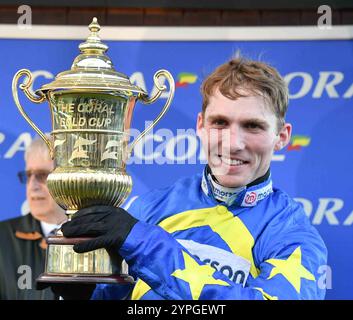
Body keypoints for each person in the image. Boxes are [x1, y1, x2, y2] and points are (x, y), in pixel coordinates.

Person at [61, 57, 328, 300]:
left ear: (282, 136)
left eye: (253, 125)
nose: (233, 143)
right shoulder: (148, 209)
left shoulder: (293, 235)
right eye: (220, 122)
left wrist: (145, 245)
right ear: (200, 125)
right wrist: (82, 294)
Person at [0, 136, 66, 299]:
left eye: (42, 175)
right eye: (29, 175)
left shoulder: (100, 239)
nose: (32, 186)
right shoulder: (2, 237)